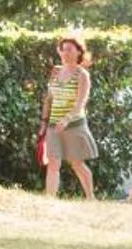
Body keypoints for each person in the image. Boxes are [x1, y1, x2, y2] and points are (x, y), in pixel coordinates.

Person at [39, 36, 97, 199]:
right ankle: (50, 199)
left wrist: (66, 119)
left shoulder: (82, 74)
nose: (65, 52)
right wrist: (44, 122)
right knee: (53, 162)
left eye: (69, 49)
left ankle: (91, 197)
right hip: (53, 124)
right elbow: (49, 99)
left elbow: (81, 102)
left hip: (74, 124)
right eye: (63, 49)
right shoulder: (56, 71)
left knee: (76, 163)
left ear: (79, 51)